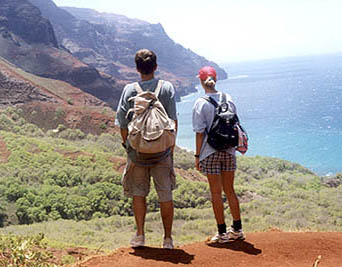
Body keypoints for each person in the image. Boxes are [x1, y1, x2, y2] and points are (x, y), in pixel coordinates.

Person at [116, 49, 177, 249]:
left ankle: (140, 235)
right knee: (165, 195)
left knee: (139, 193)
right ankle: (167, 239)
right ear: (156, 67)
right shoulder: (166, 88)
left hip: (138, 153)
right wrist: (170, 147)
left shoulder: (129, 90)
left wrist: (129, 147)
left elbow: (122, 124)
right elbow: (173, 121)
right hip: (162, 152)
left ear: (137, 68)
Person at [192, 66, 245, 243]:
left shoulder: (200, 103)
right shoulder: (227, 98)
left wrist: (197, 156)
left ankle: (222, 233)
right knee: (230, 190)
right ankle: (237, 229)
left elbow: (199, 132)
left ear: (201, 81)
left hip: (210, 152)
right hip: (229, 151)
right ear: (216, 79)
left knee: (216, 193)